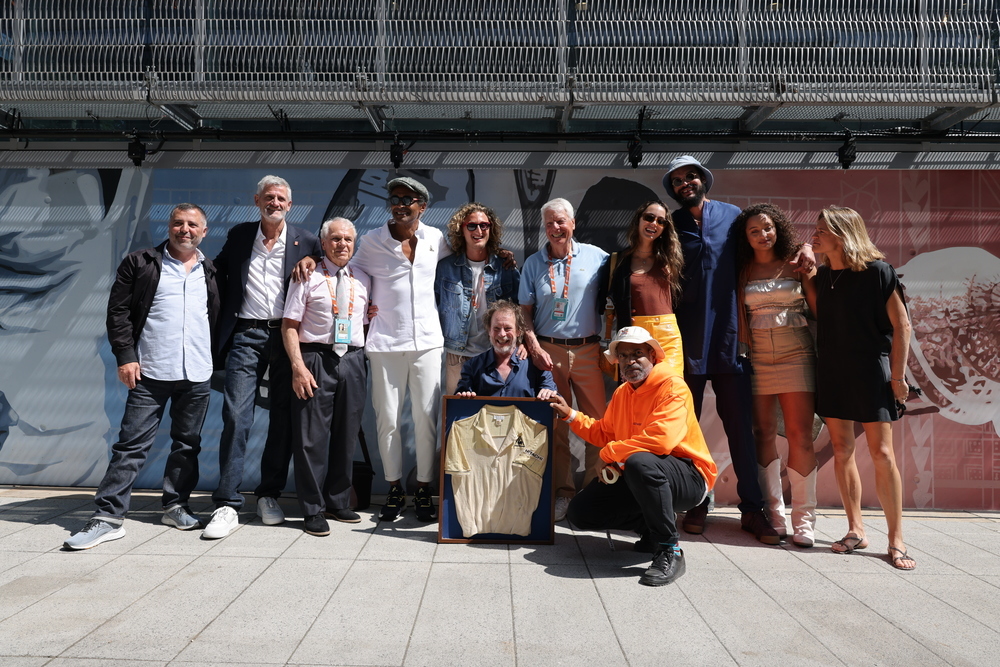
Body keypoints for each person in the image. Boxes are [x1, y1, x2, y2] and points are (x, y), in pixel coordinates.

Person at [664, 155, 815, 544]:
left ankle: (753, 509)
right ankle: (697, 499)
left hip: (733, 340)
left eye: (691, 176)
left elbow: (769, 241)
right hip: (686, 341)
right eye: (678, 180)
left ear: (703, 179)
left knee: (743, 431)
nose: (685, 183)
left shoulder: (733, 217)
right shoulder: (670, 225)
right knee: (686, 429)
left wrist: (807, 249)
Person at [64, 204, 220, 549]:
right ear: (169, 226)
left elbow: (215, 318)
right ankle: (108, 517)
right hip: (150, 370)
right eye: (178, 223)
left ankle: (175, 505)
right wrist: (126, 356)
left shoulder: (209, 269)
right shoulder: (141, 262)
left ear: (203, 232)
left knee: (187, 445)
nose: (185, 229)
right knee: (131, 446)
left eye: (192, 225)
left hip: (196, 372)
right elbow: (117, 312)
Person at [204, 175, 323, 539]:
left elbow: (325, 261)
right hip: (246, 334)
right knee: (237, 415)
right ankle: (226, 502)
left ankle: (268, 494)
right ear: (257, 200)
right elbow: (217, 271)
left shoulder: (307, 239)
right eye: (269, 197)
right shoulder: (241, 236)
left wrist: (313, 261)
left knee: (284, 420)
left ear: (290, 204)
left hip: (288, 338)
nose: (275, 203)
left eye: (281, 198)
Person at [550, 326, 716, 587]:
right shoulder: (622, 393)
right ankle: (652, 527)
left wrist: (611, 453)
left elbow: (660, 441)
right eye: (624, 356)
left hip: (689, 476)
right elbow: (604, 432)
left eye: (637, 353)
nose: (630, 361)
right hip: (642, 472)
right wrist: (570, 414)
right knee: (581, 512)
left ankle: (669, 549)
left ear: (653, 355)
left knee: (640, 462)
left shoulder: (673, 386)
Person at [811, 206, 916, 570]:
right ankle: (855, 529)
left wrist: (898, 378)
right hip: (833, 371)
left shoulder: (878, 272)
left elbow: (902, 327)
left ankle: (896, 539)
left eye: (821, 229)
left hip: (872, 370)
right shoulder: (822, 276)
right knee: (841, 450)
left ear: (842, 233)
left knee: (881, 453)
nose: (814, 234)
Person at [734, 203, 819, 547]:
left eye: (767, 228)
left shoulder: (797, 262)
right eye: (754, 231)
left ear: (778, 228)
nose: (762, 235)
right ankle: (775, 512)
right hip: (756, 359)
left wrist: (809, 251)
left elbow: (819, 310)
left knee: (800, 435)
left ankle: (805, 520)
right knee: (763, 432)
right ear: (746, 238)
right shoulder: (742, 269)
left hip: (797, 354)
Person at [519, 197, 609, 521]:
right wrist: (533, 346)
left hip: (588, 351)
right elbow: (523, 313)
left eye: (560, 222)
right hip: (548, 352)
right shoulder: (532, 264)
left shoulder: (598, 258)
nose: (555, 228)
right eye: (549, 223)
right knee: (556, 424)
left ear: (572, 223)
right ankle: (563, 494)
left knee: (598, 424)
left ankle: (594, 494)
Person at [281, 217, 371, 536]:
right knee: (311, 438)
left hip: (353, 359)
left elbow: (367, 315)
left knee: (347, 433)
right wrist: (298, 367)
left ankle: (337, 499)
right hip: (315, 358)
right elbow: (289, 325)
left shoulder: (362, 276)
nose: (342, 244)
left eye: (347, 239)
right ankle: (312, 508)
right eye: (335, 239)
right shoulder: (306, 275)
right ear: (324, 242)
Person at [435, 203, 521, 394]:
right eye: (472, 225)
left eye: (485, 225)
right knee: (458, 416)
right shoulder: (445, 267)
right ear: (461, 229)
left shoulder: (505, 267)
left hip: (496, 354)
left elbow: (519, 311)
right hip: (457, 355)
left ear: (492, 229)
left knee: (494, 416)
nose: (479, 230)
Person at [608, 199, 685, 376]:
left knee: (670, 386)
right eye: (649, 217)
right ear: (638, 220)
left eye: (661, 221)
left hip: (667, 332)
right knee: (639, 389)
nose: (654, 224)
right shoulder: (619, 260)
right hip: (635, 332)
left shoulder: (671, 259)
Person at [455, 299, 558, 400]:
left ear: (518, 331)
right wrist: (463, 397)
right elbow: (459, 402)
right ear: (489, 331)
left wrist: (549, 394)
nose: (502, 334)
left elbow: (553, 398)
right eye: (496, 329)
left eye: (508, 328)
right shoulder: (472, 366)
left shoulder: (536, 365)